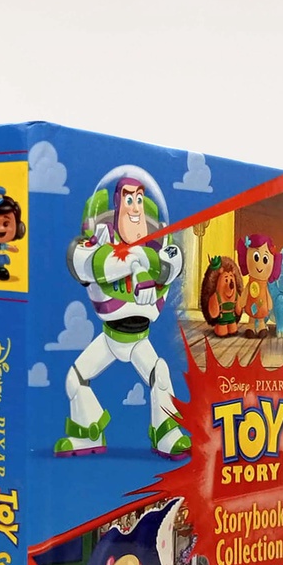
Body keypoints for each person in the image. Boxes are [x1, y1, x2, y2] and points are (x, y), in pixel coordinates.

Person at [56, 168, 190, 458]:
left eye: (139, 200)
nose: (135, 208)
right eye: (129, 200)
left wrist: (145, 261)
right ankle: (88, 433)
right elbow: (88, 263)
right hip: (110, 337)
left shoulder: (161, 253)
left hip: (139, 339)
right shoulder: (92, 250)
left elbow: (172, 262)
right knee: (74, 379)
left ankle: (166, 434)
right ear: (117, 205)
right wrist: (132, 262)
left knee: (160, 374)